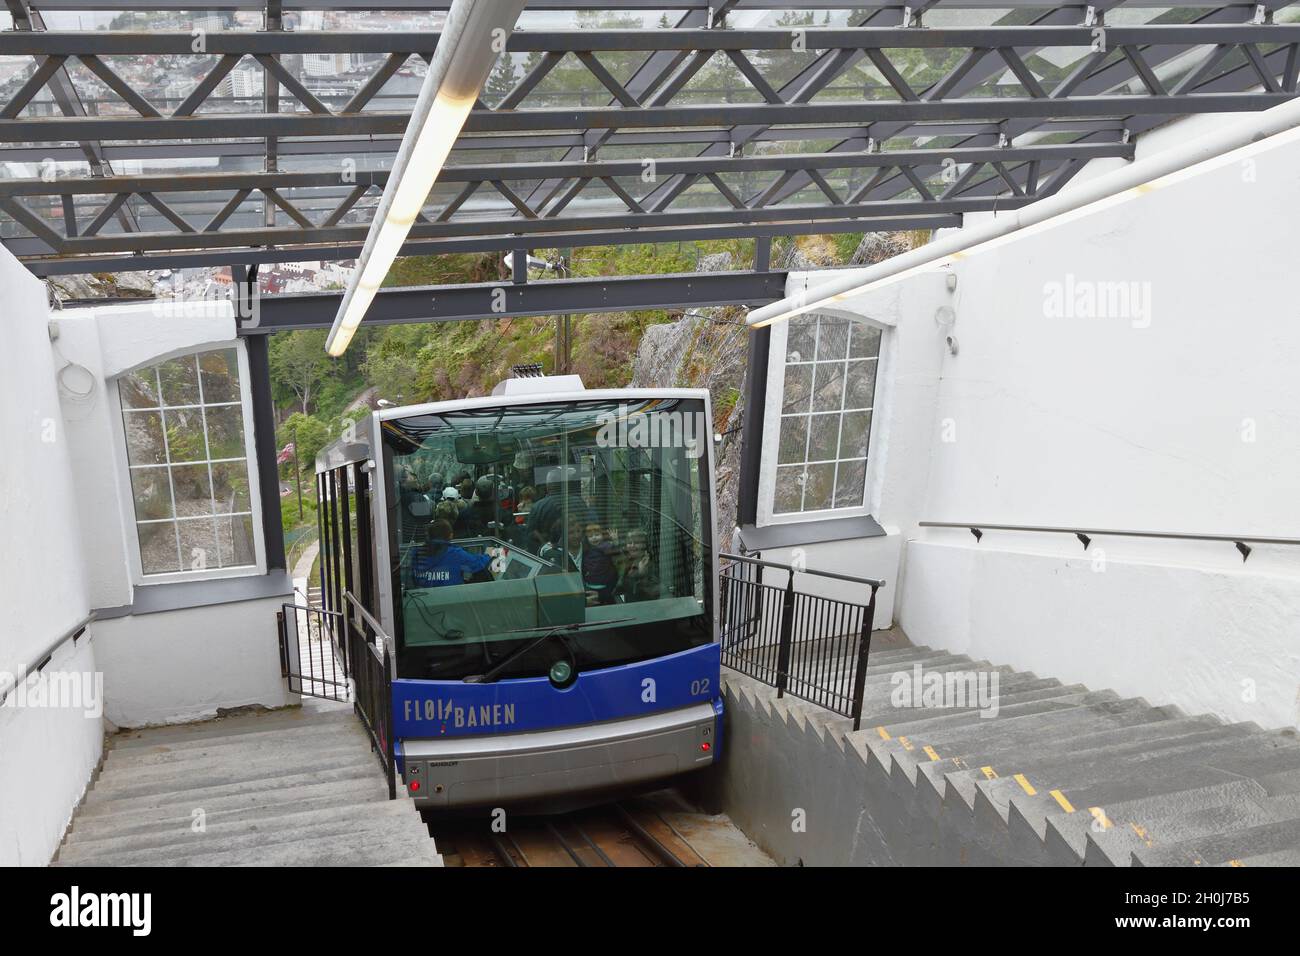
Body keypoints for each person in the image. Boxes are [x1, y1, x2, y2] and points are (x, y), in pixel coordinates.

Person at [404, 519, 492, 589]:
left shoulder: (416, 553)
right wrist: (489, 555)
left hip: (423, 603)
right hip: (452, 601)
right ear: (451, 536)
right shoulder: (455, 553)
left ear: (429, 535)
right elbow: (477, 563)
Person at [614, 529, 660, 603]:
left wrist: (642, 575)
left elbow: (656, 594)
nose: (632, 545)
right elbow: (617, 592)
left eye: (637, 542)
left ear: (645, 545)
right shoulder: (628, 563)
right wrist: (621, 605)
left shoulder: (651, 565)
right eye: (629, 542)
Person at [581, 521, 618, 605]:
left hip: (605, 585)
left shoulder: (605, 546)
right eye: (590, 536)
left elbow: (615, 552)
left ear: (602, 536)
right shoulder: (586, 549)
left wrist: (615, 541)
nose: (594, 538)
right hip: (590, 585)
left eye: (597, 535)